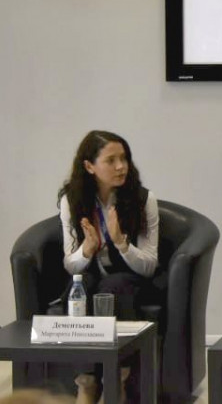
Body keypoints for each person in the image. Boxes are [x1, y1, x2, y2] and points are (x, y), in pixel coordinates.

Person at [58, 130, 160, 404]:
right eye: (111, 160)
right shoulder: (72, 200)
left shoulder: (142, 199)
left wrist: (121, 244)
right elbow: (70, 264)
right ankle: (86, 382)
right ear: (89, 166)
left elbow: (149, 266)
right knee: (81, 286)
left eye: (124, 158)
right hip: (91, 276)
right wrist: (86, 250)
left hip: (131, 280)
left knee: (113, 287)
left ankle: (117, 380)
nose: (121, 166)